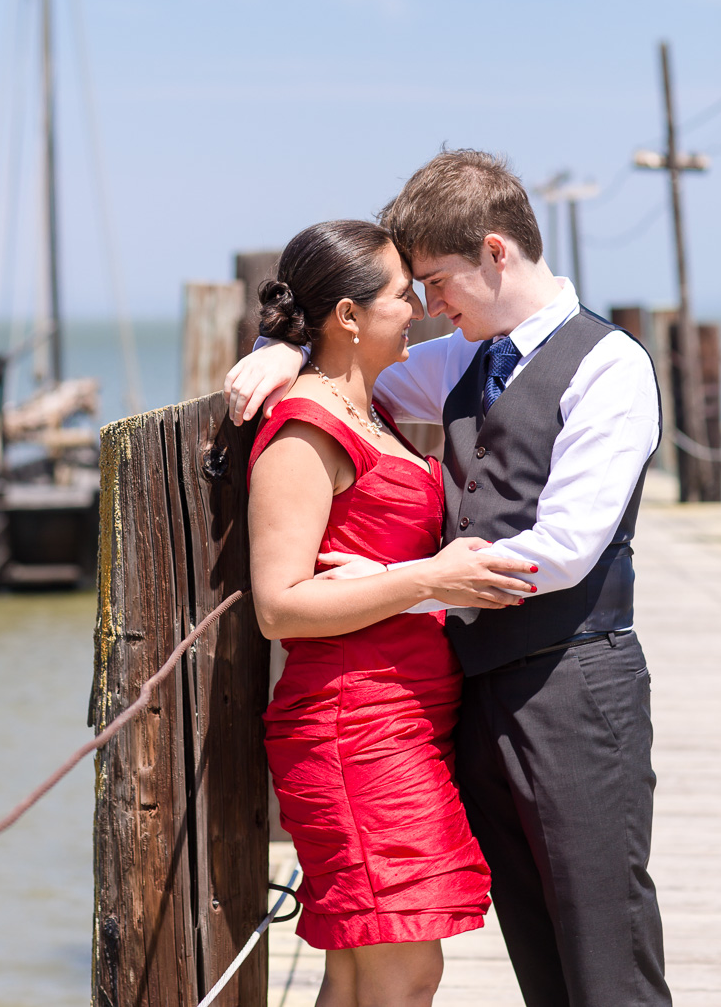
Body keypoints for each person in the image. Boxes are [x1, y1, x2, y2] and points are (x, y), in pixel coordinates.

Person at [228, 150, 671, 1007]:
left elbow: (568, 547)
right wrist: (279, 351)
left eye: (437, 282)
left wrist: (410, 582)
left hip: (574, 684)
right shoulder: (464, 361)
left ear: (496, 253)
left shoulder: (609, 366)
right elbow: (345, 369)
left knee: (603, 940)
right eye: (416, 290)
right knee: (537, 950)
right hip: (467, 698)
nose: (430, 308)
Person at [246, 217, 539, 1007]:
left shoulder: (364, 407)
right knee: (405, 972)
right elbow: (280, 605)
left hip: (400, 724)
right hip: (353, 728)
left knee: (360, 970)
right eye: (402, 295)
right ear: (347, 316)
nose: (420, 308)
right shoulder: (307, 431)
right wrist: (426, 578)